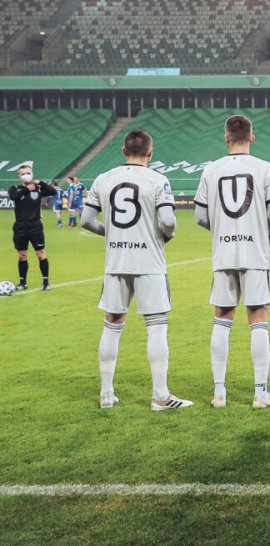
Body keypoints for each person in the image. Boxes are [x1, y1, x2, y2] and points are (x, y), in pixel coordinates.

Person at [81, 129, 192, 411]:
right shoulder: (158, 180)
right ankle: (160, 396)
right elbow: (167, 222)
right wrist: (163, 236)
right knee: (156, 327)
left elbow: (86, 220)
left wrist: (111, 233)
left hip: (116, 262)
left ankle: (106, 394)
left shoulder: (103, 179)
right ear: (150, 152)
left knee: (112, 324)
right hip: (149, 262)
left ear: (123, 151)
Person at [195, 114, 270, 409]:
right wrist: (262, 232)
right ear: (252, 137)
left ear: (226, 138)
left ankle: (219, 393)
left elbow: (199, 216)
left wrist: (222, 230)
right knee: (258, 316)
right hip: (254, 252)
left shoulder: (210, 170)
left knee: (222, 316)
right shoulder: (265, 169)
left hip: (223, 252)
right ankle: (260, 393)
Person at [8, 164, 53, 290]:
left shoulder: (38, 189)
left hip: (35, 226)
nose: (25, 175)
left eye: (27, 172)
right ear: (19, 176)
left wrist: (40, 183)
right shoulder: (15, 188)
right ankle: (23, 283)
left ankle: (46, 283)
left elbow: (52, 191)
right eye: (22, 173)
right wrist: (27, 188)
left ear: (32, 173)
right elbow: (14, 197)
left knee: (40, 253)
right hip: (20, 226)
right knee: (22, 255)